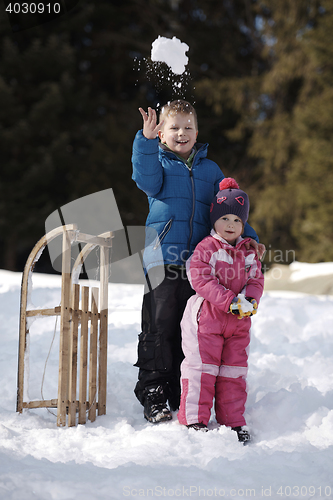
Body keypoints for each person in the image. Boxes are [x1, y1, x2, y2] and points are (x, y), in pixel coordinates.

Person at [131, 100, 265, 424]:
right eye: (174, 128)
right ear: (162, 132)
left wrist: (251, 239)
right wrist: (146, 142)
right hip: (162, 258)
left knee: (187, 329)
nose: (182, 133)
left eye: (188, 127)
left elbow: (225, 211)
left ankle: (179, 389)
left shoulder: (210, 170)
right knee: (158, 327)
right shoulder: (158, 163)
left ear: (197, 132)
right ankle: (153, 391)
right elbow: (143, 177)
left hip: (201, 266)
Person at [177, 177, 264, 443]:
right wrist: (230, 300)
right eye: (225, 218)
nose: (231, 225)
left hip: (238, 323)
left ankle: (233, 421)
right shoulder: (207, 248)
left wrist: (249, 300)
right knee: (202, 369)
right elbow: (201, 280)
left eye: (237, 220)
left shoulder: (249, 253)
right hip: (207, 319)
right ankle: (195, 418)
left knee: (233, 372)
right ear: (214, 219)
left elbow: (256, 279)